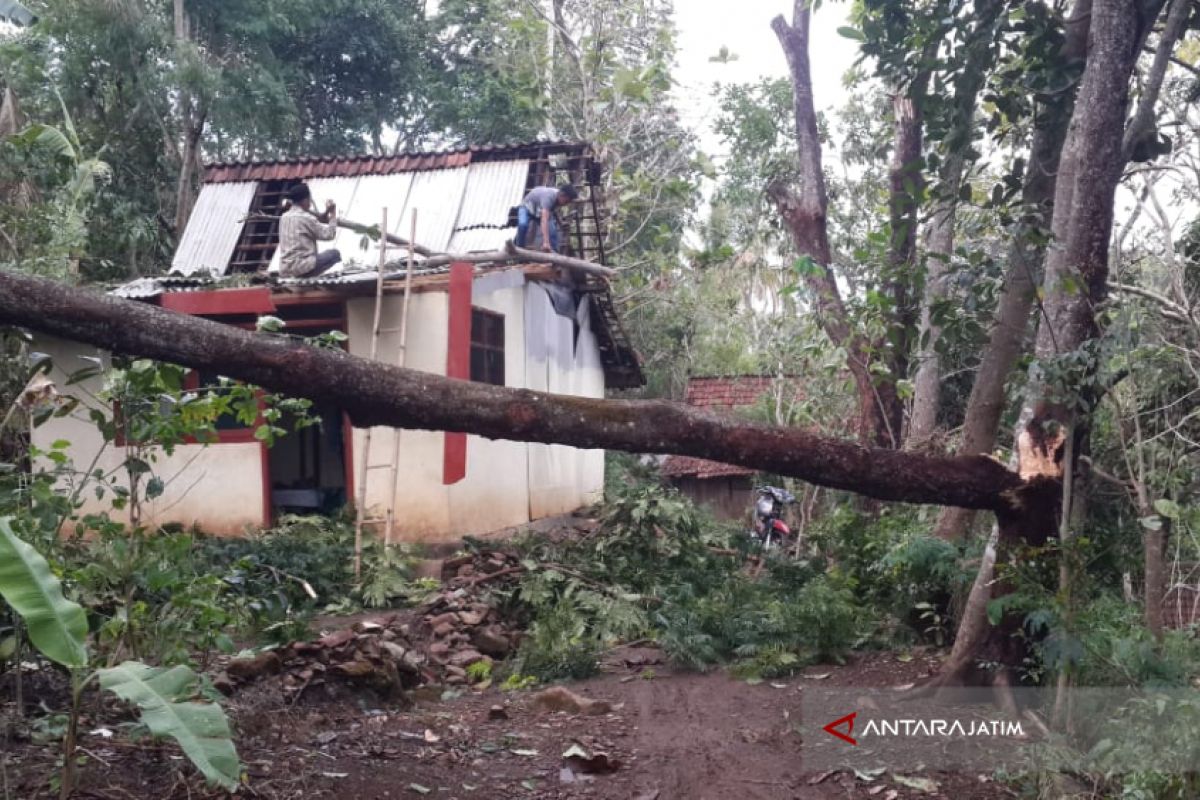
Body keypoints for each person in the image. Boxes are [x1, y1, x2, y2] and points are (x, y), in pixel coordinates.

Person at [278, 182, 342, 278]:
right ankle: (307, 276)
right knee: (334, 254)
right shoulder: (306, 218)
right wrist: (332, 214)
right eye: (309, 199)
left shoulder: (283, 217)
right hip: (302, 268)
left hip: (284, 269)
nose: (310, 202)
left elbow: (312, 223)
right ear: (305, 200)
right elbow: (329, 235)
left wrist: (325, 213)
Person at [515, 183, 578, 253]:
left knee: (552, 231)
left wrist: (561, 223)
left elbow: (554, 211)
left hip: (539, 211)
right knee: (522, 225)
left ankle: (554, 253)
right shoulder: (549, 197)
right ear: (562, 195)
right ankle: (519, 250)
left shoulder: (558, 197)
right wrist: (546, 242)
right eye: (566, 201)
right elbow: (544, 220)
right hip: (527, 207)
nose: (566, 204)